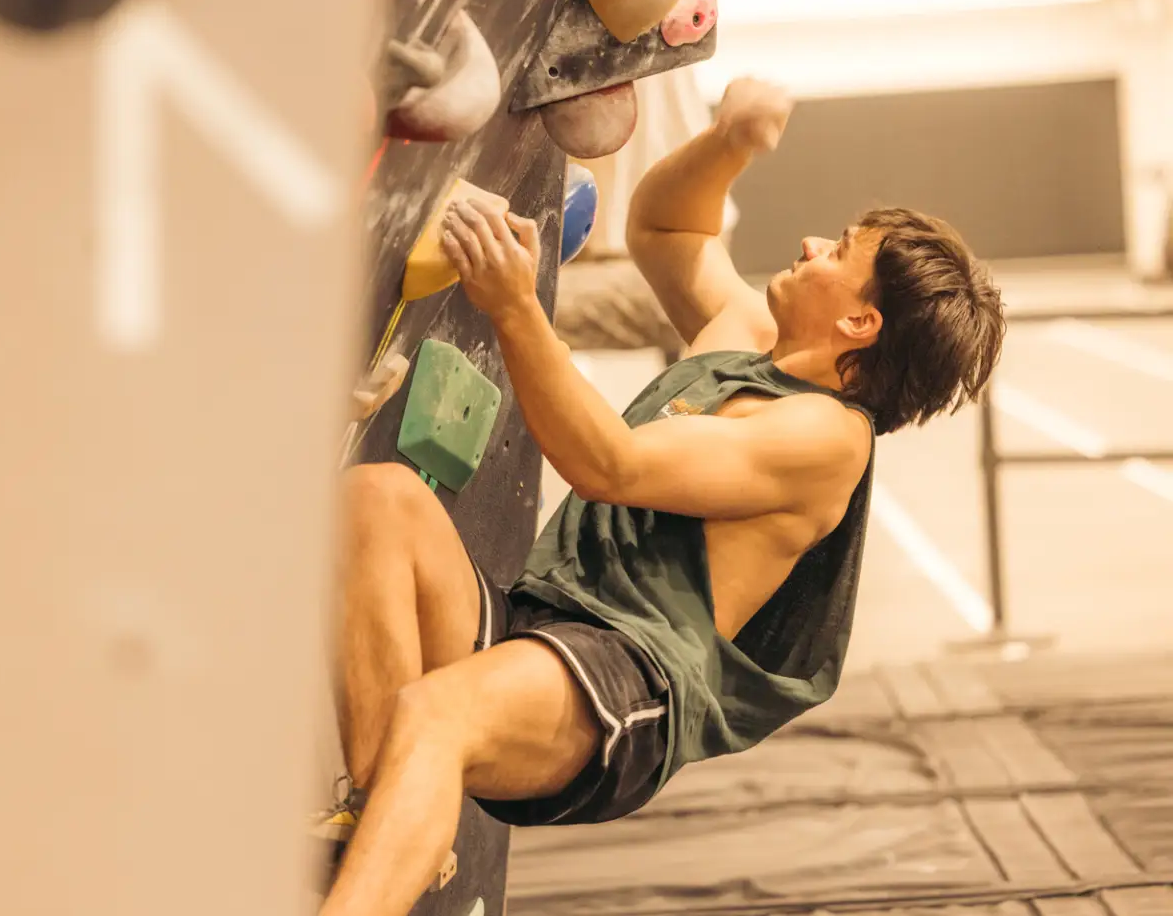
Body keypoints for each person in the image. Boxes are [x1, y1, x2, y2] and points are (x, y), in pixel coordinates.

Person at [313, 77, 1006, 916]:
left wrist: (516, 306)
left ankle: (387, 844)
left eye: (841, 251)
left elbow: (609, 466)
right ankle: (389, 822)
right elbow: (668, 228)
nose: (813, 242)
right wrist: (731, 143)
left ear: (861, 323)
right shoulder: (748, 337)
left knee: (435, 714)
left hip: (629, 674)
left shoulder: (829, 437)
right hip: (542, 622)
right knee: (378, 498)